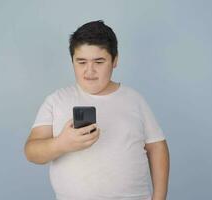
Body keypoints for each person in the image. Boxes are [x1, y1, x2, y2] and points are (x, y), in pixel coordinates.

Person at [24, 20, 170, 200]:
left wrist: (159, 198)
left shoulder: (134, 100)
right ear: (72, 61)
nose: (89, 71)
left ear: (115, 60)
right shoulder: (56, 100)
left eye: (99, 62)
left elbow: (157, 147)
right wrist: (60, 144)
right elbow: (31, 151)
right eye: (81, 62)